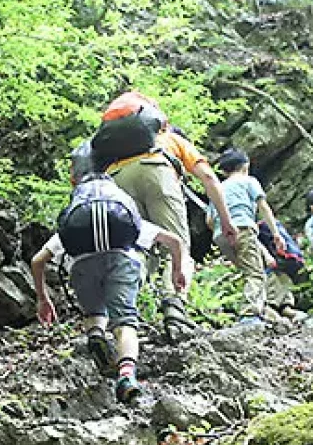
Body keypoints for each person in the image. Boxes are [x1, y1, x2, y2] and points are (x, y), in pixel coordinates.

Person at [95, 91, 238, 341]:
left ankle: (122, 312)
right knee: (177, 247)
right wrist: (226, 220)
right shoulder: (170, 139)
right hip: (156, 171)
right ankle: (175, 311)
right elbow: (208, 177)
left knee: (137, 250)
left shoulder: (114, 152)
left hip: (117, 180)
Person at [30, 175, 187, 403]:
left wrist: (43, 299)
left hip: (82, 267)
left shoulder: (76, 223)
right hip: (122, 262)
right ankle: (126, 376)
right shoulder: (121, 214)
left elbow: (37, 261)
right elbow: (174, 241)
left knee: (94, 312)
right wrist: (177, 271)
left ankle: (96, 334)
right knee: (125, 323)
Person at [204, 149, 286, 325]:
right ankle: (249, 315)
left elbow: (209, 220)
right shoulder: (249, 181)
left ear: (224, 171)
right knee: (255, 274)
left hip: (220, 235)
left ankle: (263, 311)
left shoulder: (218, 188)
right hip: (242, 228)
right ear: (246, 165)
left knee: (250, 272)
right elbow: (263, 207)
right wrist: (276, 233)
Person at [257, 219, 306, 318]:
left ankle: (284, 307)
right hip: (277, 257)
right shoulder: (266, 223)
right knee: (275, 278)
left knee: (281, 278)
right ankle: (273, 308)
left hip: (273, 258)